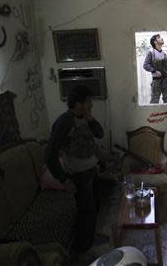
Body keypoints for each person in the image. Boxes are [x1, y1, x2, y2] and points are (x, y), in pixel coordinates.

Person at [45, 84, 104, 256]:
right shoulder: (64, 122)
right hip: (79, 177)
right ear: (79, 103)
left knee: (95, 208)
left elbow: (100, 134)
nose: (91, 105)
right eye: (88, 102)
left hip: (92, 172)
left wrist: (91, 119)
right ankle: (81, 250)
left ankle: (90, 238)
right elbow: (50, 155)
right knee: (87, 212)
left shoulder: (86, 119)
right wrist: (63, 179)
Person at [143, 34, 167, 103]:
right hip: (156, 82)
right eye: (159, 38)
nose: (162, 38)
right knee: (154, 102)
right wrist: (154, 71)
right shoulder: (151, 53)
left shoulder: (165, 55)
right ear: (155, 42)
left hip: (166, 81)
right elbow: (145, 65)